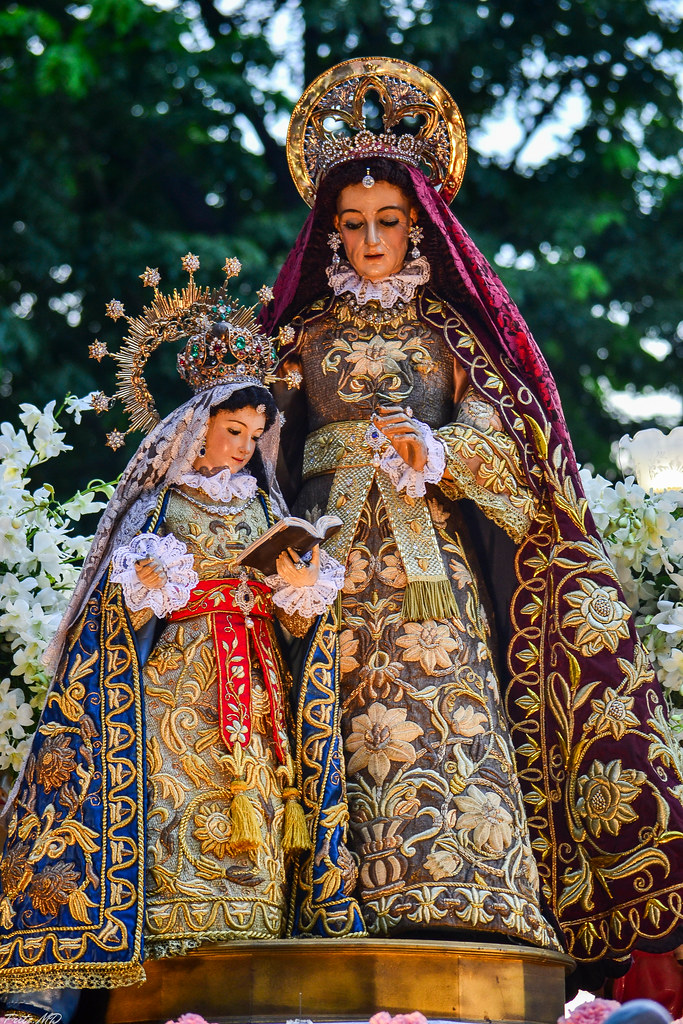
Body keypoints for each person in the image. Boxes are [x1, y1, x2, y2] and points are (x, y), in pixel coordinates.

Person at [261, 57, 683, 981]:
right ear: (330, 233)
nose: (371, 240)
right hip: (325, 562)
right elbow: (261, 443)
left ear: (417, 227)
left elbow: (511, 441)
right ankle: (327, 903)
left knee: (442, 699)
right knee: (324, 713)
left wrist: (438, 453)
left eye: (388, 223)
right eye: (353, 225)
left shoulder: (448, 336)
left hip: (430, 573)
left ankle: (472, 895)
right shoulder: (301, 337)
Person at [0, 262, 344, 1020]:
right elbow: (119, 597)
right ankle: (163, 951)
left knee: (253, 795)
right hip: (179, 683)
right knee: (175, 797)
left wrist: (297, 583)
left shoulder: (264, 505)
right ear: (198, 423)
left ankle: (246, 944)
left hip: (253, 682)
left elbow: (295, 620)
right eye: (231, 432)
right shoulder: (159, 501)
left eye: (255, 436)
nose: (242, 450)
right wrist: (154, 576)